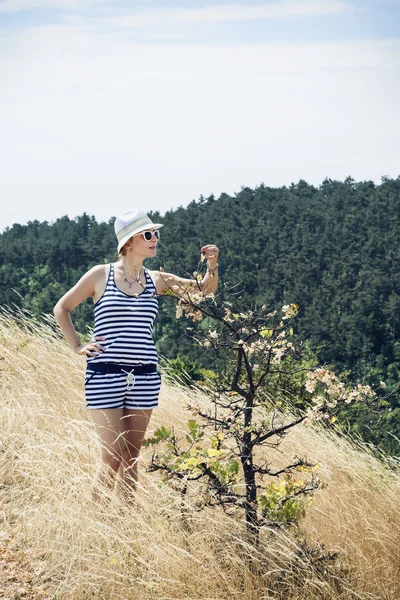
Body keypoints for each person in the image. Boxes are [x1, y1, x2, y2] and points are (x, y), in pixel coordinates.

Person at [53, 209, 219, 501]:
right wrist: (78, 346)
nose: (155, 239)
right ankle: (95, 521)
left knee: (131, 456)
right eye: (148, 234)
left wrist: (212, 264)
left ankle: (126, 525)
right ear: (128, 243)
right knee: (112, 455)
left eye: (156, 234)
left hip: (144, 376)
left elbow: (204, 290)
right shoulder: (100, 275)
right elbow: (62, 308)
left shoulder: (157, 280)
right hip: (105, 374)